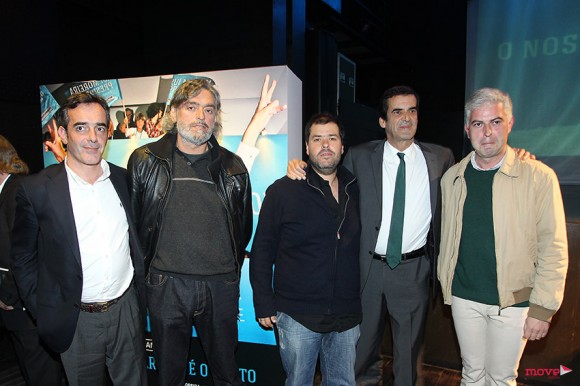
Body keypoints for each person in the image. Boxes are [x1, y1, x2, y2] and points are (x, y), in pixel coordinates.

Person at [289, 85, 455, 386]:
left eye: (412, 110)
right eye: (397, 111)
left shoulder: (441, 159)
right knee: (361, 351)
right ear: (382, 121)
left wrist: (516, 155)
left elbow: (476, 171)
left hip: (413, 270)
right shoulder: (359, 156)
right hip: (366, 269)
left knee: (409, 353)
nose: (406, 117)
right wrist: (299, 166)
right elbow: (327, 175)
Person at [10, 93, 148, 386]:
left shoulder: (124, 180)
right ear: (62, 133)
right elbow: (23, 257)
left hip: (127, 312)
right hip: (76, 321)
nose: (92, 137)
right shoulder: (37, 189)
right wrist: (45, 309)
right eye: (81, 127)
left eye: (99, 127)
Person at [437, 88, 568, 386]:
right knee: (471, 375)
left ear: (510, 124)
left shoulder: (538, 177)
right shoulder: (452, 178)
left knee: (500, 379)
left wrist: (543, 309)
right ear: (467, 129)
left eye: (495, 122)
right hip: (463, 298)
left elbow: (554, 248)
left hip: (515, 303)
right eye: (479, 124)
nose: (487, 133)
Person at [127, 78, 253, 386]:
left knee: (227, 373)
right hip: (166, 286)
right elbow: (134, 224)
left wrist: (227, 277)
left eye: (209, 109)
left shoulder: (233, 166)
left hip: (220, 287)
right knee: (169, 376)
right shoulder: (146, 161)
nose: (201, 116)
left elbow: (243, 228)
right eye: (192, 107)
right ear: (173, 112)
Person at [250, 113, 362, 385]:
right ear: (307, 147)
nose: (325, 145)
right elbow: (262, 250)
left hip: (346, 315)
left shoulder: (356, 188)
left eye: (332, 138)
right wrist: (263, 302)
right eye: (317, 139)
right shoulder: (283, 191)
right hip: (297, 315)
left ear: (342, 146)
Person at [0, 135, 65, 385]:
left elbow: (24, 252)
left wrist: (7, 295)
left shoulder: (19, 191)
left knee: (41, 374)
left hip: (24, 306)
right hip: (15, 308)